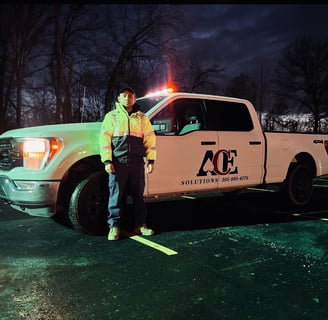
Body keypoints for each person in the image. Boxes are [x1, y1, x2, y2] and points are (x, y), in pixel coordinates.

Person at [99, 87, 156, 240]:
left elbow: (150, 140)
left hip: (137, 163)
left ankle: (140, 225)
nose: (127, 98)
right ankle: (114, 227)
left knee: (138, 196)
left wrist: (151, 159)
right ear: (118, 98)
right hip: (118, 163)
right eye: (123, 95)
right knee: (116, 196)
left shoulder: (142, 118)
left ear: (134, 99)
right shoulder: (111, 116)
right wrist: (107, 160)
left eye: (130, 95)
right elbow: (104, 140)